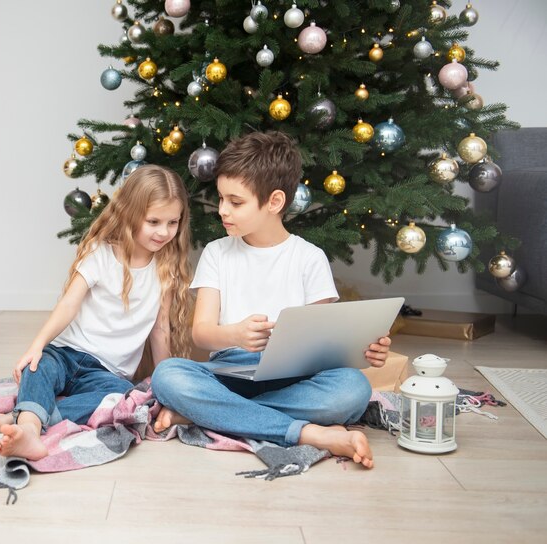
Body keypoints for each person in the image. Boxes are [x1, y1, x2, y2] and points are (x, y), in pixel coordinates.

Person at [151, 131, 391, 469]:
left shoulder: (309, 258)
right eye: (220, 199)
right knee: (168, 375)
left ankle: (209, 412)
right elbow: (200, 333)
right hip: (230, 372)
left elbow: (322, 341)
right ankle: (308, 433)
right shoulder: (217, 253)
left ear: (274, 202)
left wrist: (366, 349)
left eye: (235, 202)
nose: (223, 210)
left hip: (294, 378)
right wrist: (235, 335)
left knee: (353, 389)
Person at [0, 165, 193, 461]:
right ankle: (29, 430)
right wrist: (37, 345)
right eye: (154, 221)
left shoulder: (165, 271)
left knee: (123, 398)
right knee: (37, 368)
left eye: (173, 222)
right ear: (131, 213)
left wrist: (167, 383)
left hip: (107, 372)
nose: (163, 231)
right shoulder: (102, 252)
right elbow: (68, 304)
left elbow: (160, 331)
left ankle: (23, 420)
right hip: (66, 352)